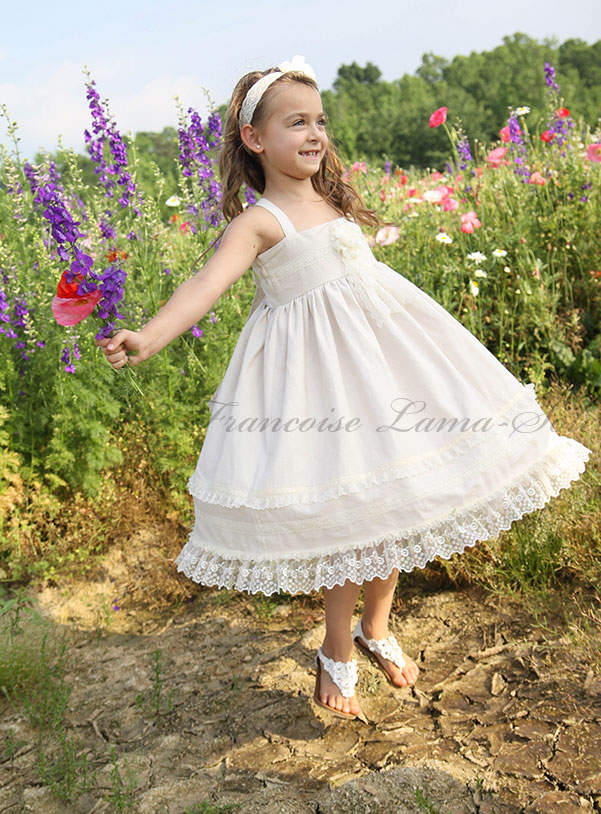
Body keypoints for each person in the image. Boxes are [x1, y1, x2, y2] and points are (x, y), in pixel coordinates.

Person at [96, 54, 591, 723]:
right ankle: (336, 647)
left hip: (383, 371)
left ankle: (375, 626)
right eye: (295, 122)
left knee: (399, 502)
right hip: (315, 389)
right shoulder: (261, 220)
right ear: (254, 139)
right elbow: (204, 287)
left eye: (319, 121)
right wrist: (149, 337)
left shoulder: (331, 200)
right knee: (346, 520)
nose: (313, 134)